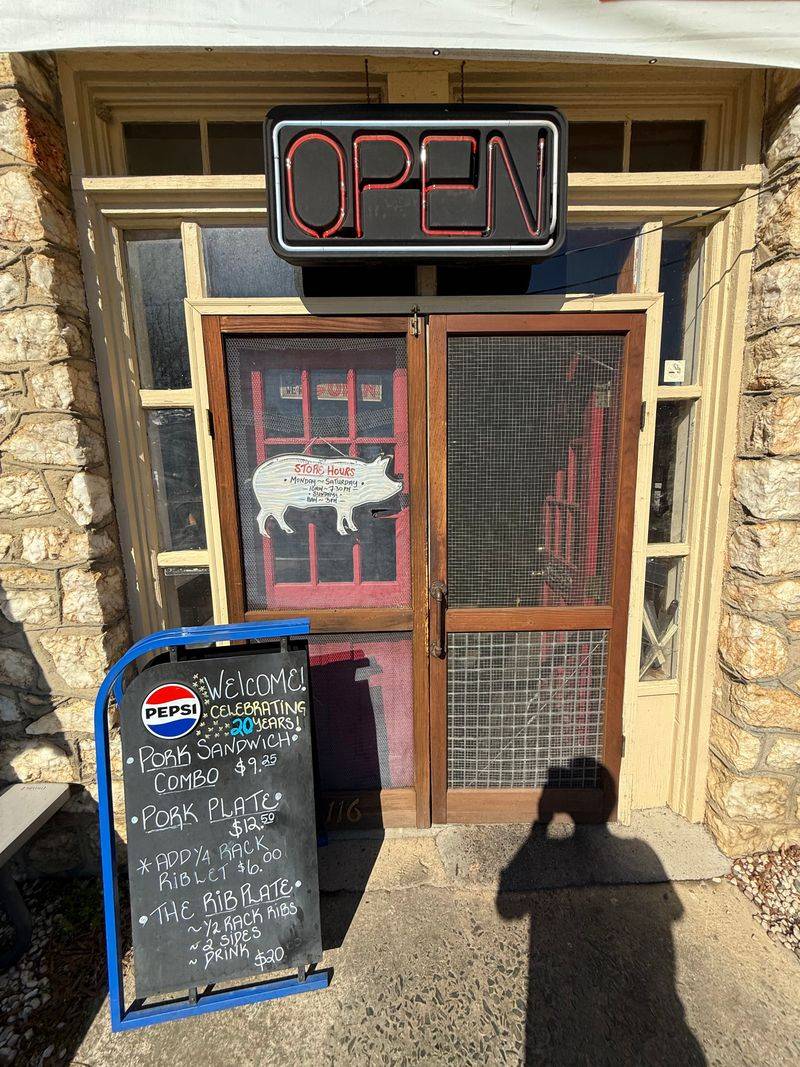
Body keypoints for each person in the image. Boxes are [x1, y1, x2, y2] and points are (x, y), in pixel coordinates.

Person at [496, 758, 705, 1066]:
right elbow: (674, 913)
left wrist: (537, 831)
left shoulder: (641, 852)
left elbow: (506, 909)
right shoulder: (644, 852)